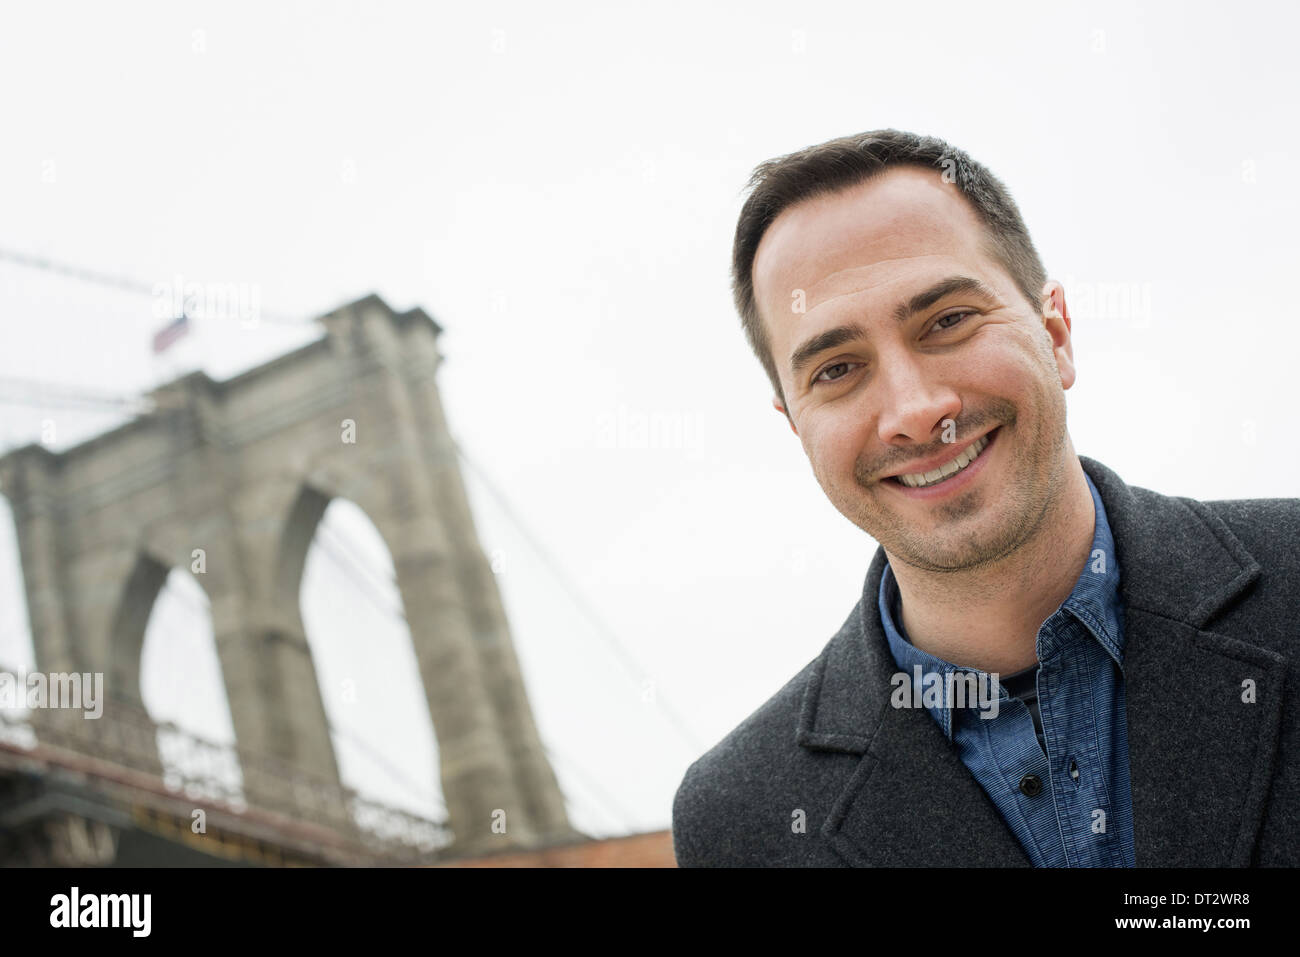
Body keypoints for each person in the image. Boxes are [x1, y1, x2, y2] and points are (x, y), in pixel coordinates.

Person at [671, 129, 1299, 867]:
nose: (914, 408)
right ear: (795, 425)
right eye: (838, 368)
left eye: (947, 321)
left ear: (1056, 332)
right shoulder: (741, 819)